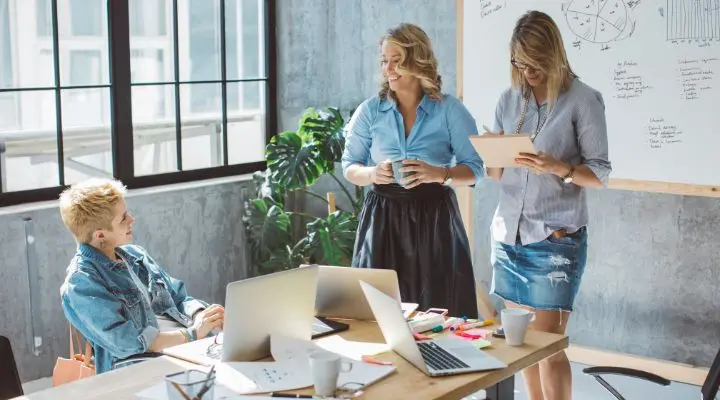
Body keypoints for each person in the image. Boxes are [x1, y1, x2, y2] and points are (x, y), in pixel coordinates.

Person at [485, 11, 612, 400]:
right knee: (523, 346)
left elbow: (601, 173)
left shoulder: (582, 100)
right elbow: (495, 175)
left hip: (554, 243)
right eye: (519, 64)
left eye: (534, 63)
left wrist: (559, 168)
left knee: (548, 347)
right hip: (510, 238)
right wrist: (493, 152)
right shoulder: (509, 100)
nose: (526, 72)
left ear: (552, 54)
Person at [341, 23, 485, 319]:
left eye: (397, 60)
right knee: (379, 312)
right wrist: (372, 174)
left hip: (435, 218)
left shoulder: (449, 110)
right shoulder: (369, 111)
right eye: (384, 60)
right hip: (383, 218)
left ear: (417, 60)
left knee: (440, 308)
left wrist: (440, 174)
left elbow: (476, 169)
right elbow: (350, 166)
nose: (388, 68)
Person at [58, 178, 224, 374]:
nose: (131, 219)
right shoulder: (81, 283)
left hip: (189, 348)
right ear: (100, 235)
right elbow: (130, 343)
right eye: (123, 218)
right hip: (148, 367)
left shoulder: (136, 255)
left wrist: (204, 316)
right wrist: (193, 333)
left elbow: (178, 298)